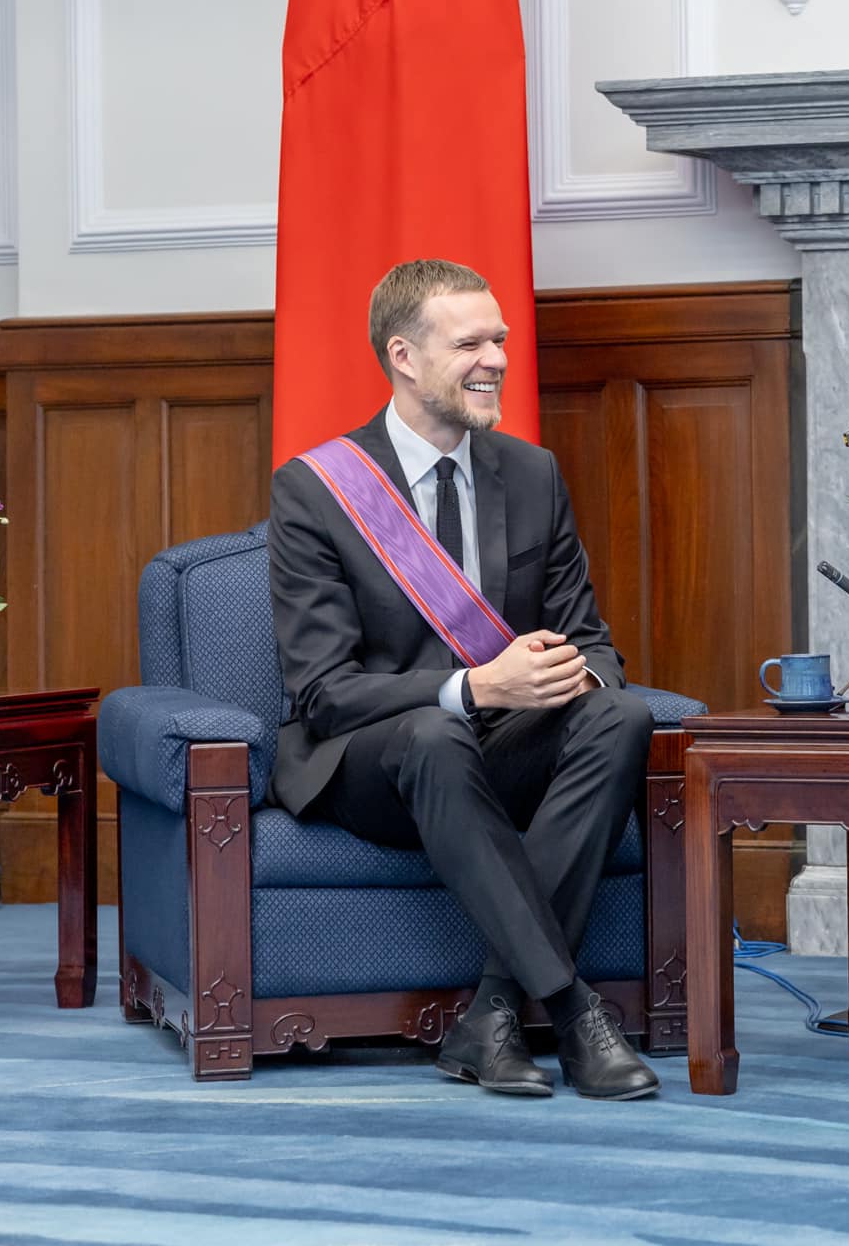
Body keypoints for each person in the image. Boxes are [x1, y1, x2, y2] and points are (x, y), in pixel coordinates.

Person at [268, 258, 660, 1102]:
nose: (496, 360)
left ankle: (489, 1016)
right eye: (470, 342)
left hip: (498, 747)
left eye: (500, 340)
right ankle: (569, 1003)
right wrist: (480, 687)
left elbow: (594, 642)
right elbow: (323, 692)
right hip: (375, 762)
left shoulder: (532, 473)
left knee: (621, 716)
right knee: (439, 730)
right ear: (404, 356)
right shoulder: (316, 489)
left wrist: (572, 676)